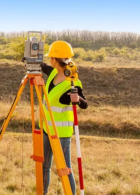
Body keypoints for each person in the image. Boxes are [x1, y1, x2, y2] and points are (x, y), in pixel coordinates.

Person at [41, 41, 88, 195]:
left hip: (62, 133)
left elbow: (84, 104)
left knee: (65, 169)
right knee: (44, 166)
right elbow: (42, 66)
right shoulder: (53, 72)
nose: (49, 60)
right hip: (47, 129)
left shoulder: (73, 81)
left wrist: (78, 99)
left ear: (55, 59)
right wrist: (30, 60)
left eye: (50, 57)